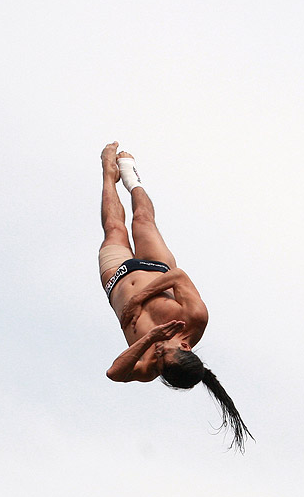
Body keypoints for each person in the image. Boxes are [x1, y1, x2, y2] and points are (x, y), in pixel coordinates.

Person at [99, 142, 252, 451]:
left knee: (114, 228)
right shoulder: (194, 319)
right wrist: (138, 300)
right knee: (142, 220)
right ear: (184, 345)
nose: (156, 354)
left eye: (158, 360)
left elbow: (114, 373)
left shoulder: (147, 366)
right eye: (163, 353)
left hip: (116, 278)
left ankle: (107, 173)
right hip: (157, 269)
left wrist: (148, 338)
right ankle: (130, 177)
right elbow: (179, 276)